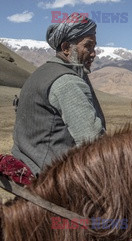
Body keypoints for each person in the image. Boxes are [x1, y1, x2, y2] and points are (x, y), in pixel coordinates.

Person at [11, 12, 105, 176]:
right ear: (66, 48)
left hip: (28, 162)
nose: (93, 53)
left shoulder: (42, 72)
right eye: (88, 46)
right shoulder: (67, 82)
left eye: (94, 46)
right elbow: (93, 142)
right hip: (51, 177)